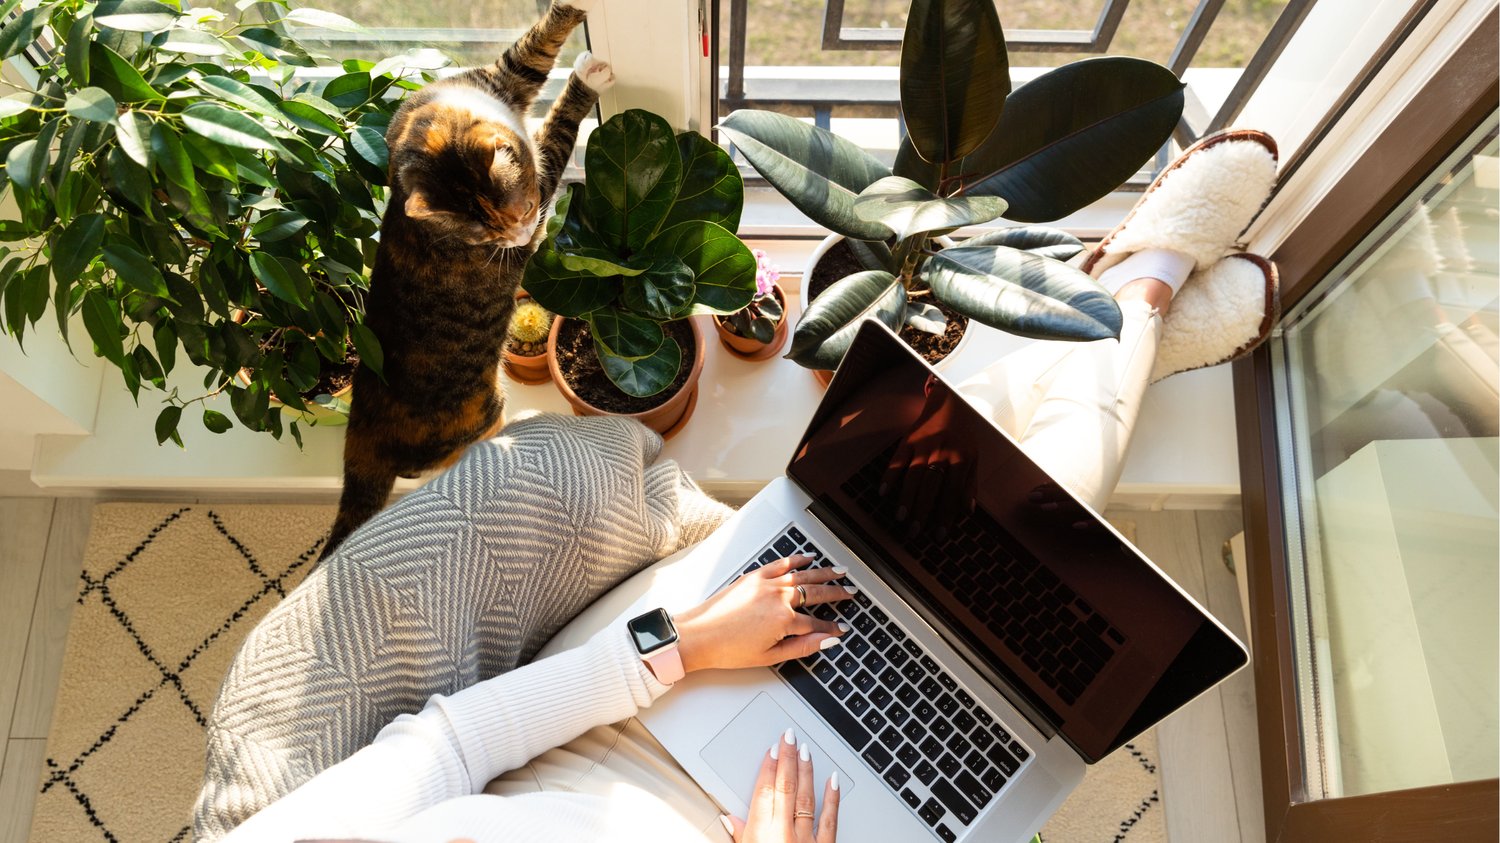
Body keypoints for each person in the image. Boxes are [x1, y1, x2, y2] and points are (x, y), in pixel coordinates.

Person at [198, 129, 1279, 843]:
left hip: (613, 732)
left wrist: (678, 645)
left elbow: (455, 745)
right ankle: (1131, 307)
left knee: (942, 520)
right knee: (1023, 570)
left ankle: (1130, 306)